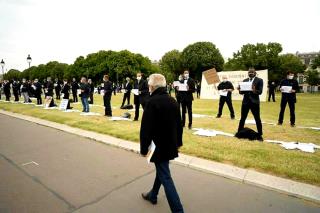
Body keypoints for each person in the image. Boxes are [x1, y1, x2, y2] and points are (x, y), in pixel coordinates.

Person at [140, 73, 184, 213]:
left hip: (157, 146)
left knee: (165, 175)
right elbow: (179, 124)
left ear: (152, 86)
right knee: (162, 170)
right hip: (170, 144)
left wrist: (143, 149)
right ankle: (153, 195)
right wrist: (178, 142)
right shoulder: (173, 101)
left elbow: (145, 129)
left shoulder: (151, 102)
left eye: (149, 85)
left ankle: (178, 210)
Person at [237, 68, 264, 141]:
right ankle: (239, 132)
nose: (251, 73)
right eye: (249, 72)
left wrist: (254, 90)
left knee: (257, 118)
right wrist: (239, 89)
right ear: (248, 73)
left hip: (254, 102)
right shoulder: (245, 80)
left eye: (252, 72)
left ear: (255, 73)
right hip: (245, 102)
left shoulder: (259, 80)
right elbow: (242, 92)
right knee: (242, 118)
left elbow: (260, 92)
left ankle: (260, 134)